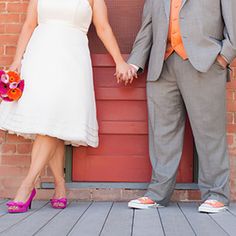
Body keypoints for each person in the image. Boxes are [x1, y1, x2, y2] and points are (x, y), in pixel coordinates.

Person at [0, 0, 133, 213]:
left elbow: (103, 27)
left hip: (71, 60)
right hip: (40, 56)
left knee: (52, 119)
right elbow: (28, 24)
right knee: (51, 122)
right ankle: (60, 185)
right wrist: (17, 61)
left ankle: (27, 186)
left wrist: (119, 61)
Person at [116, 0, 236, 213]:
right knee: (162, 133)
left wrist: (223, 58)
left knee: (209, 132)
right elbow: (147, 29)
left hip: (205, 64)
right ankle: (157, 194)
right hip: (161, 66)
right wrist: (135, 62)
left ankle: (217, 194)